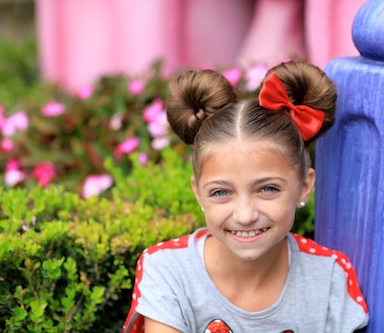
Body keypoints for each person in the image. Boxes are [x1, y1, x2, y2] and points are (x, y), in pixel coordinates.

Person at [122, 61, 369, 333]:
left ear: (304, 186)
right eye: (221, 192)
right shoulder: (167, 270)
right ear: (198, 192)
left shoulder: (329, 277)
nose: (245, 215)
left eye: (268, 189)